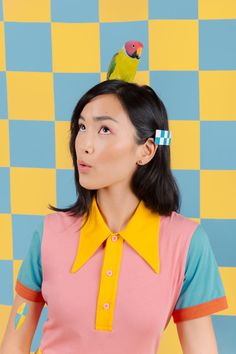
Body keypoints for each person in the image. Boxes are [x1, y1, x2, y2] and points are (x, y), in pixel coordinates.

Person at [0, 80, 228, 354]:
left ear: (146, 150)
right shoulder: (49, 233)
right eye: (82, 127)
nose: (83, 144)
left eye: (105, 129)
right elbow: (15, 337)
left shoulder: (187, 243)